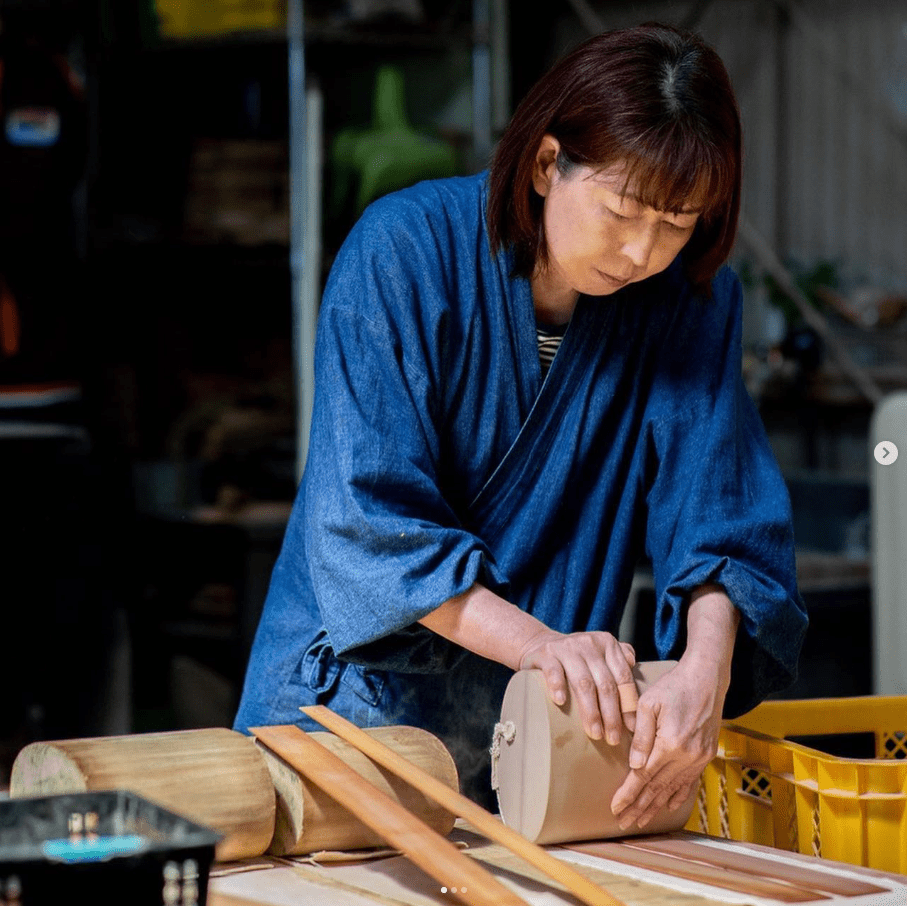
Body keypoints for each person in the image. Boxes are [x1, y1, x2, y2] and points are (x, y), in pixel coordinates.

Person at [234, 22, 807, 823]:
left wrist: (700, 675)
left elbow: (721, 514)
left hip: (545, 739)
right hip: (354, 719)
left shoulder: (691, 301)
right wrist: (542, 646)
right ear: (546, 165)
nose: (643, 251)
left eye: (677, 223)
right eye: (623, 210)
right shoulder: (402, 253)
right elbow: (371, 521)